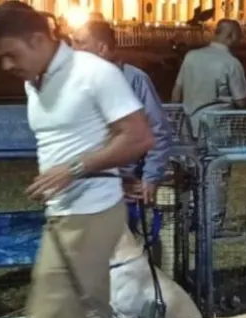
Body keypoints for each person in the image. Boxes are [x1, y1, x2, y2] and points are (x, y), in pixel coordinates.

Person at [0, 1, 154, 318]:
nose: (6, 66)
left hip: (93, 213)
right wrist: (58, 178)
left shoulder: (93, 72)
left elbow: (138, 137)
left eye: (10, 54)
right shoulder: (36, 82)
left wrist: (73, 170)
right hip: (65, 215)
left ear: (39, 39)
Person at [70, 19, 174, 205]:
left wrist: (149, 176)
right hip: (84, 183)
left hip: (126, 184)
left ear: (102, 48)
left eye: (79, 42)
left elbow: (158, 131)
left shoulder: (135, 80)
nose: (72, 48)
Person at [170, 19, 246, 236]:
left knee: (190, 173)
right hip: (217, 124)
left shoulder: (191, 56)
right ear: (231, 35)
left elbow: (177, 91)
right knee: (216, 174)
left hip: (189, 122)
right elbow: (242, 100)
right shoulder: (231, 63)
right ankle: (213, 226)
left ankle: (188, 220)